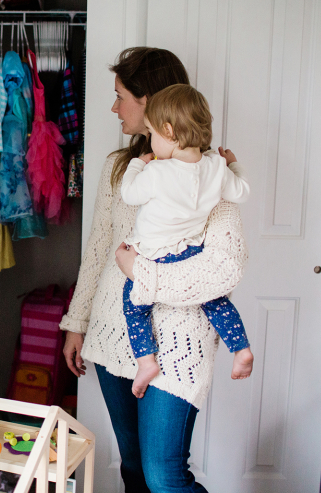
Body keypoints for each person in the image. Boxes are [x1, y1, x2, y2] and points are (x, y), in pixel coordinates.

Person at [60, 47, 248, 493]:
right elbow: (99, 252)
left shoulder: (208, 174)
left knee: (165, 477)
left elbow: (225, 266)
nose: (113, 107)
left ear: (148, 103)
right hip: (113, 330)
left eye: (120, 95)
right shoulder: (120, 168)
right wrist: (76, 322)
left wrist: (148, 277)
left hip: (180, 339)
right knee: (133, 466)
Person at [120, 84, 254, 398]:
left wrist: (138, 164)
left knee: (134, 306)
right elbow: (242, 192)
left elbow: (129, 194)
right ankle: (242, 349)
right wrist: (234, 164)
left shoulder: (157, 172)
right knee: (215, 301)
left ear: (168, 130)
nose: (150, 140)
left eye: (151, 132)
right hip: (189, 252)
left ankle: (146, 361)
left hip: (153, 256)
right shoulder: (215, 167)